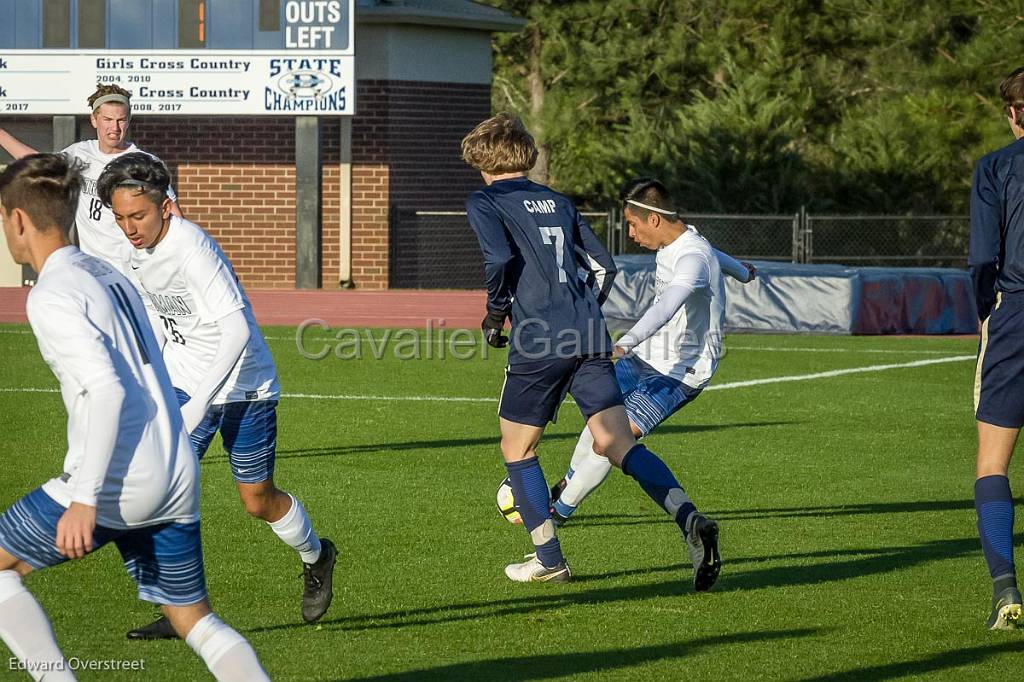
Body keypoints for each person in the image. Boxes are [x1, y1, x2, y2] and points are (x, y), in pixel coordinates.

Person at [0, 153, 269, 680]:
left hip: (118, 479)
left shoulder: (52, 293)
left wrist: (84, 499)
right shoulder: (103, 270)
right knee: (195, 621)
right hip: (174, 471)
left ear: (18, 220)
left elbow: (105, 390)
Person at [461, 113, 721, 588]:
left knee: (518, 448)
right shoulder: (558, 200)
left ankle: (549, 559)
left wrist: (497, 315)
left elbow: (498, 259)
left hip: (540, 337)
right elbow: (604, 268)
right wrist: (581, 316)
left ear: (481, 160)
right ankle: (690, 520)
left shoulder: (485, 199)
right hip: (591, 335)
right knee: (616, 443)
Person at [94, 153, 337, 640]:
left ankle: (317, 556)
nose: (129, 228)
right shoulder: (134, 252)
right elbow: (163, 323)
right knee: (165, 490)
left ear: (166, 207)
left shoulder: (193, 248)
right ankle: (177, 610)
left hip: (246, 388)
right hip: (186, 383)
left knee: (257, 501)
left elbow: (234, 333)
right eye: (120, 218)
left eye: (137, 216)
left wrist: (197, 405)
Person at [549, 180, 754, 572]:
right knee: (599, 418)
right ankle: (563, 492)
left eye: (631, 224)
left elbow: (668, 306)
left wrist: (625, 341)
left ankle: (557, 514)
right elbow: (717, 255)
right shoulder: (688, 243)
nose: (629, 233)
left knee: (611, 441)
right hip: (646, 357)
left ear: (654, 219)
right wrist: (742, 272)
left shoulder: (691, 258)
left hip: (678, 374)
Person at [0, 83, 182, 271]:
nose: (115, 127)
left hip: (136, 271)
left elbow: (175, 217)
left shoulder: (144, 162)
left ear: (128, 121)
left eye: (121, 120)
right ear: (94, 120)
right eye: (108, 119)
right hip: (95, 269)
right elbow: (38, 163)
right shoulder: (80, 153)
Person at [970, 65, 1024, 630]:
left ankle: (1006, 591)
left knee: (992, 462)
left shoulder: (997, 167)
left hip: (1018, 315)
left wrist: (987, 310)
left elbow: (984, 260)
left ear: (1012, 114)